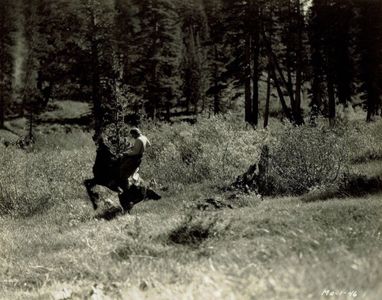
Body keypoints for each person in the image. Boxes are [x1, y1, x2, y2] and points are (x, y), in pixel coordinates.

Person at [118, 127, 151, 193]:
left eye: (133, 135)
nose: (132, 137)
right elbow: (149, 145)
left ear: (135, 134)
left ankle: (126, 189)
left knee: (123, 170)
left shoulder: (138, 139)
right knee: (132, 172)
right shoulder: (144, 137)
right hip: (140, 157)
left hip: (135, 158)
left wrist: (125, 153)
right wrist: (139, 147)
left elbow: (135, 153)